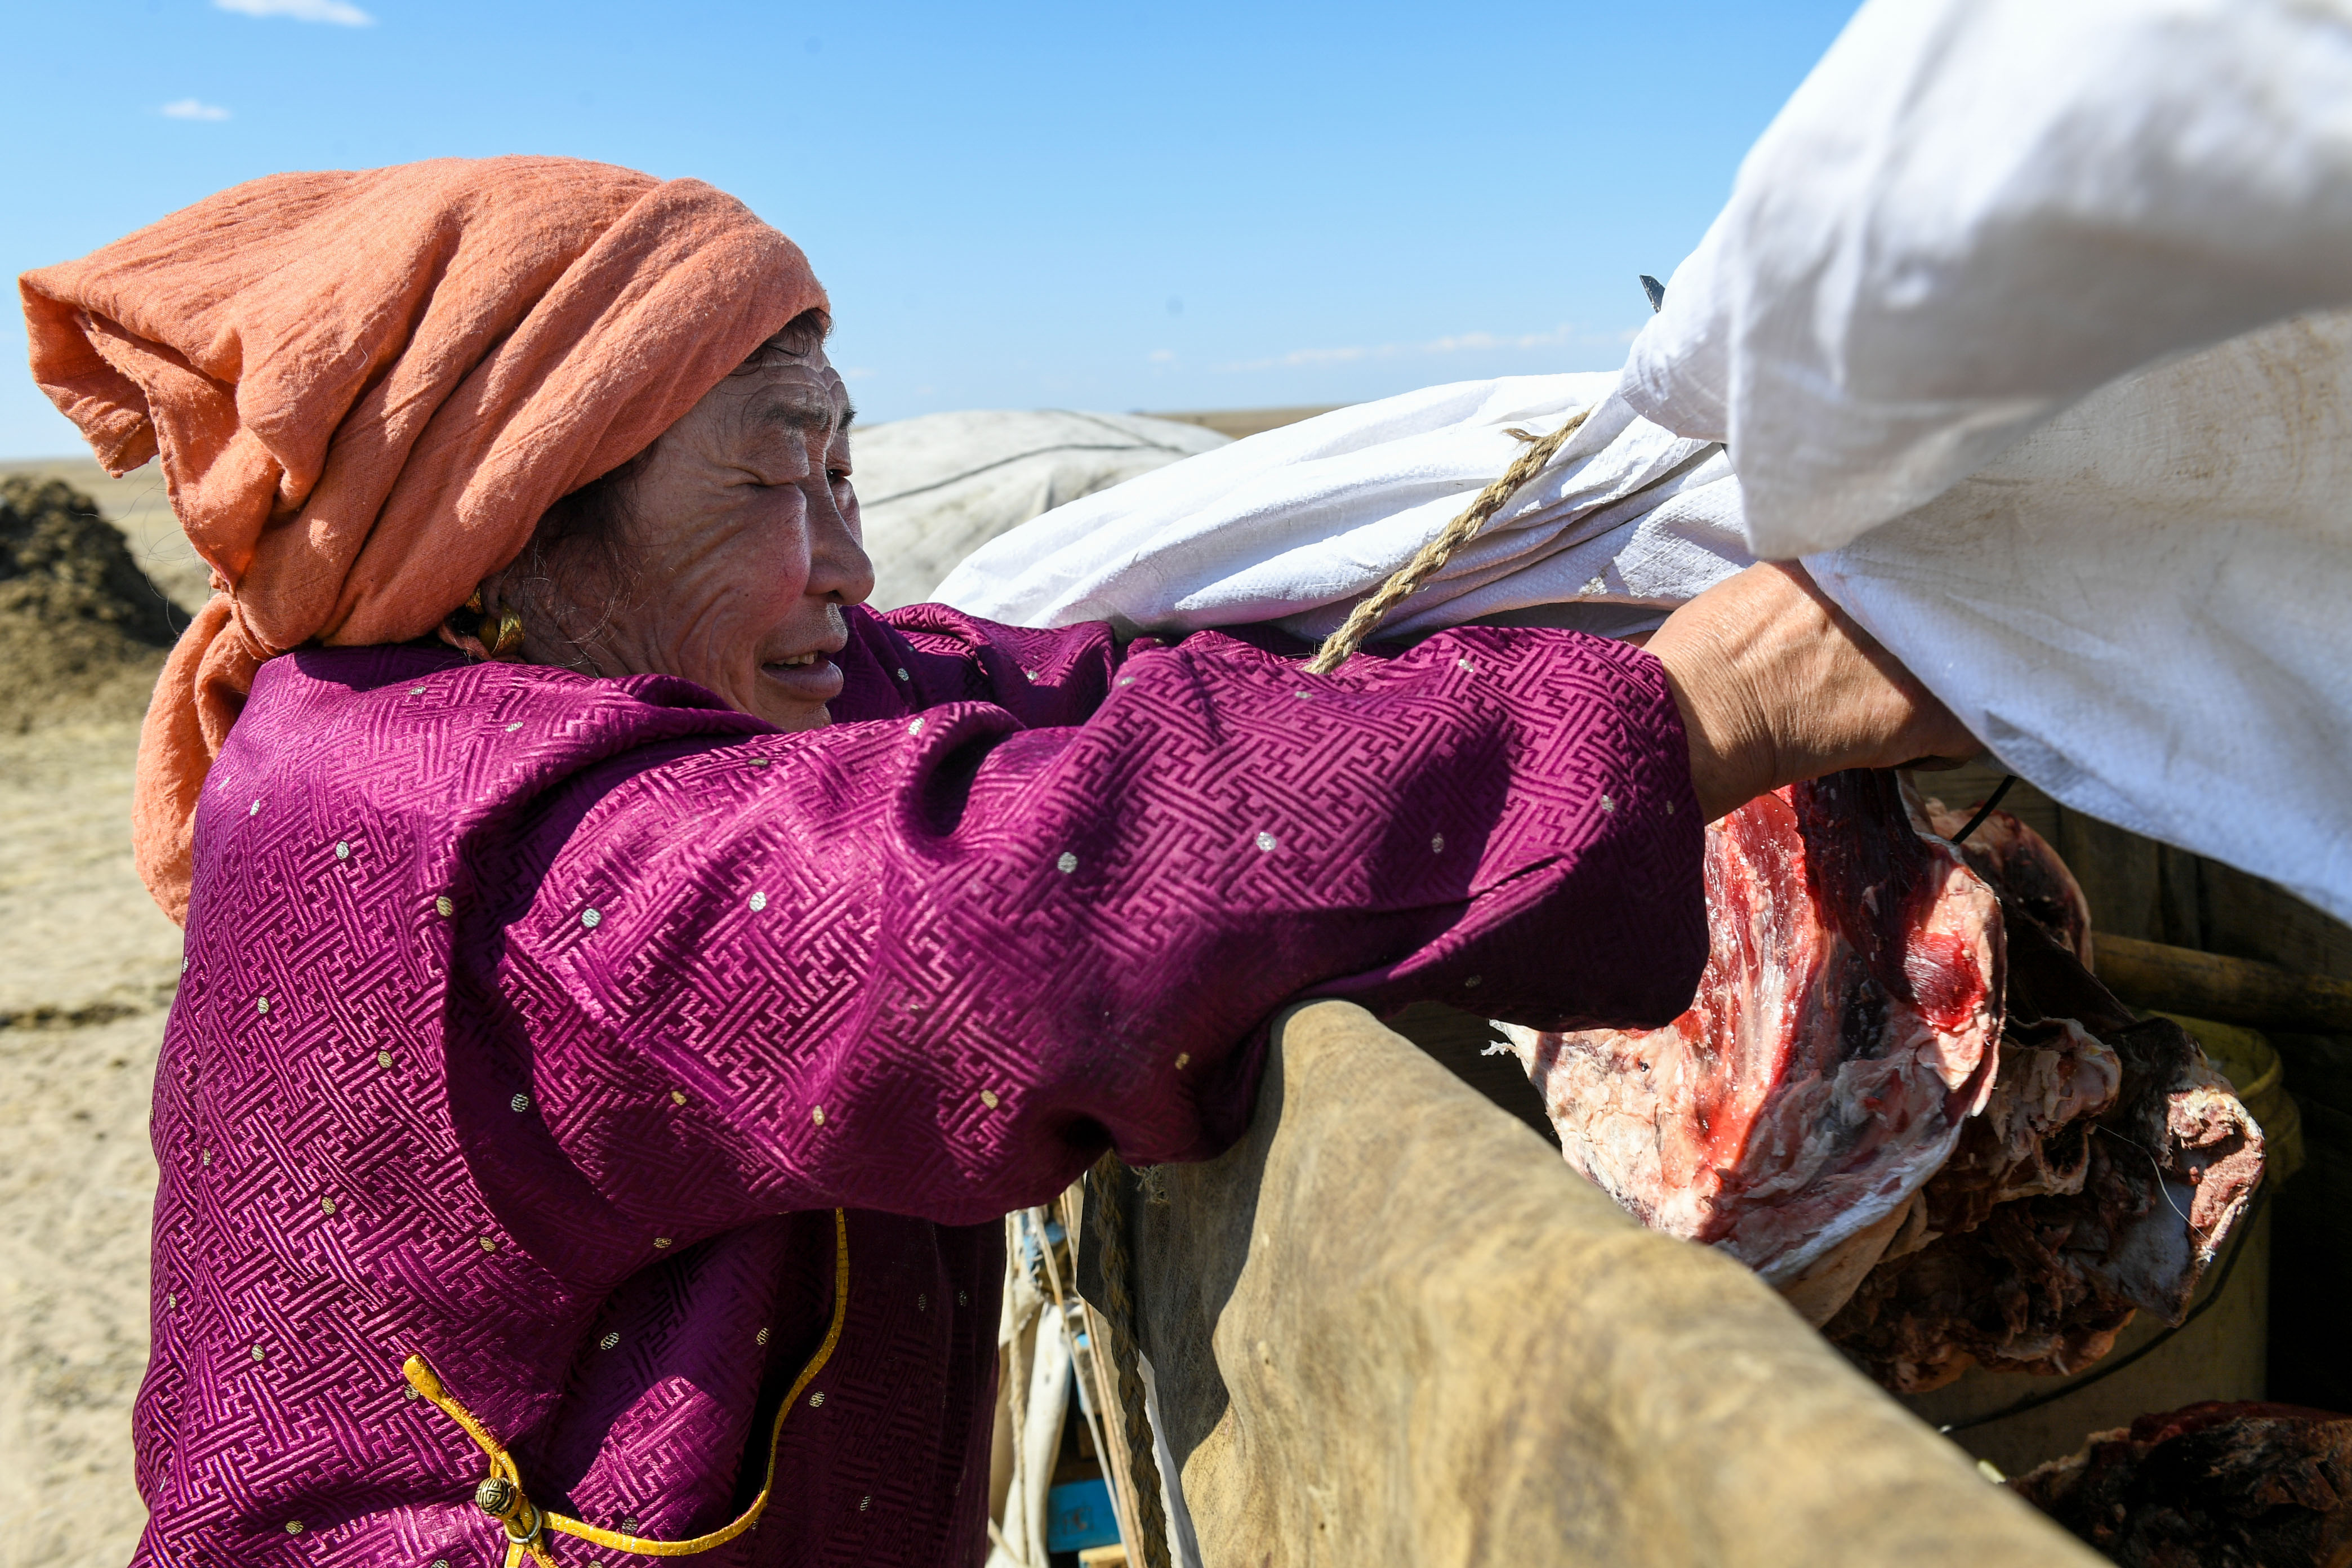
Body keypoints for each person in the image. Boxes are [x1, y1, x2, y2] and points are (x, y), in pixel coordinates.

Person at [21, 157, 1971, 1567]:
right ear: (513, 528)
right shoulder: (502, 850)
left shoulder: (596, 684)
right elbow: (1019, 916)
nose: (850, 564)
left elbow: (1029, 687)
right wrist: (1734, 698)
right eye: (775, 481)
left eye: (846, 474)